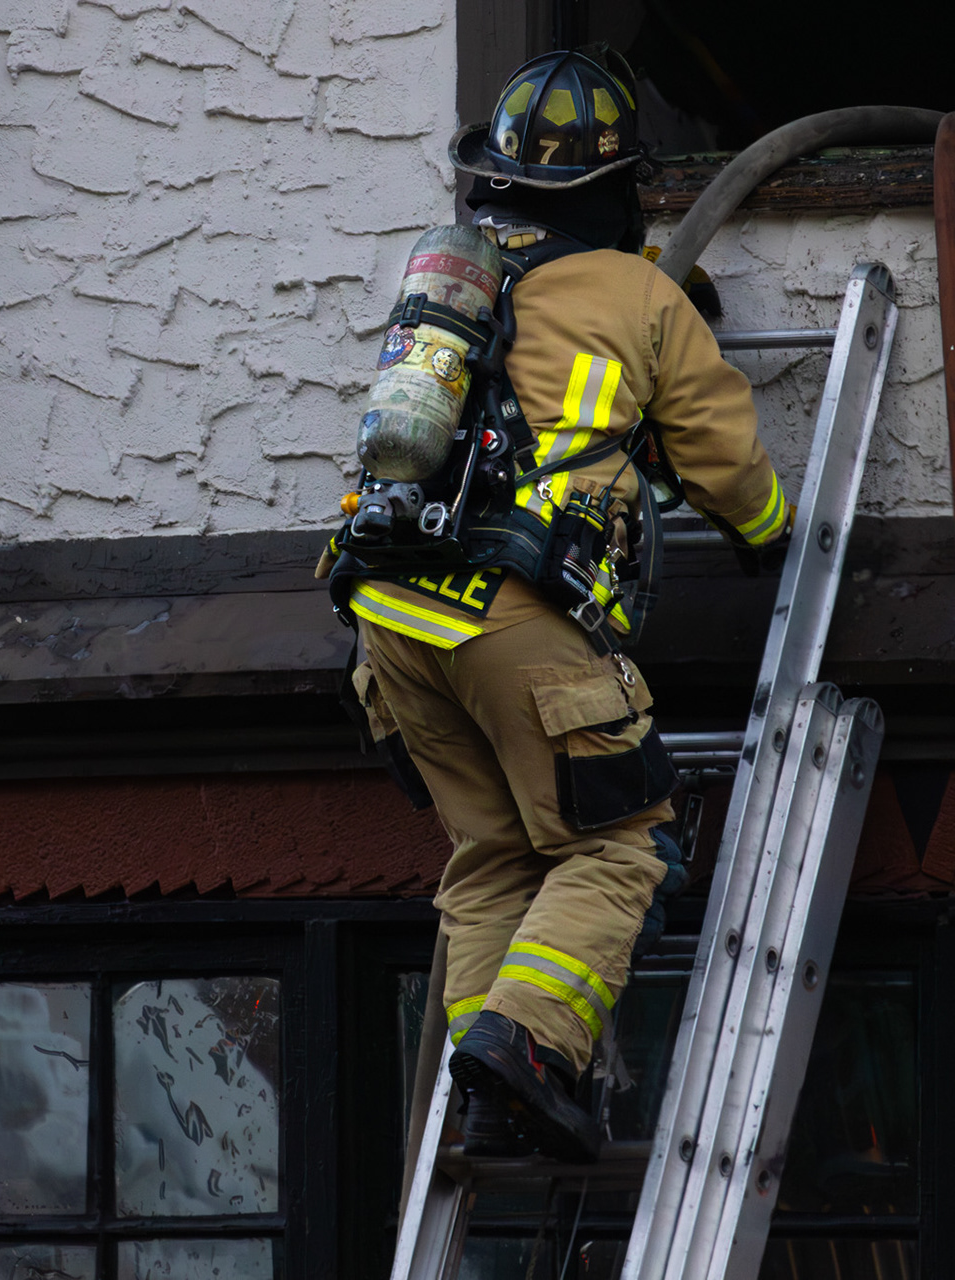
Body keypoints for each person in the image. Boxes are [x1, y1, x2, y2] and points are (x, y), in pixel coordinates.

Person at [330, 48, 793, 1163]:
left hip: (390, 621)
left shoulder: (457, 286)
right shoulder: (643, 294)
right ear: (620, 184)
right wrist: (773, 537)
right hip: (515, 618)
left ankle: (487, 1093)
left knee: (494, 855)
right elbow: (725, 465)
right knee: (624, 848)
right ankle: (533, 1046)